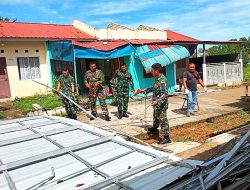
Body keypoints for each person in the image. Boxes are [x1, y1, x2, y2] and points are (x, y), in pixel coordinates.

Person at [140, 63, 171, 144]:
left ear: (156, 71)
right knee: (156, 117)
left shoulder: (163, 80)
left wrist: (157, 102)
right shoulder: (157, 79)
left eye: (152, 70)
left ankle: (166, 137)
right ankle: (154, 129)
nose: (151, 72)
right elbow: (153, 88)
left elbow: (164, 94)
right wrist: (143, 91)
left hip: (161, 104)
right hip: (156, 104)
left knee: (163, 120)